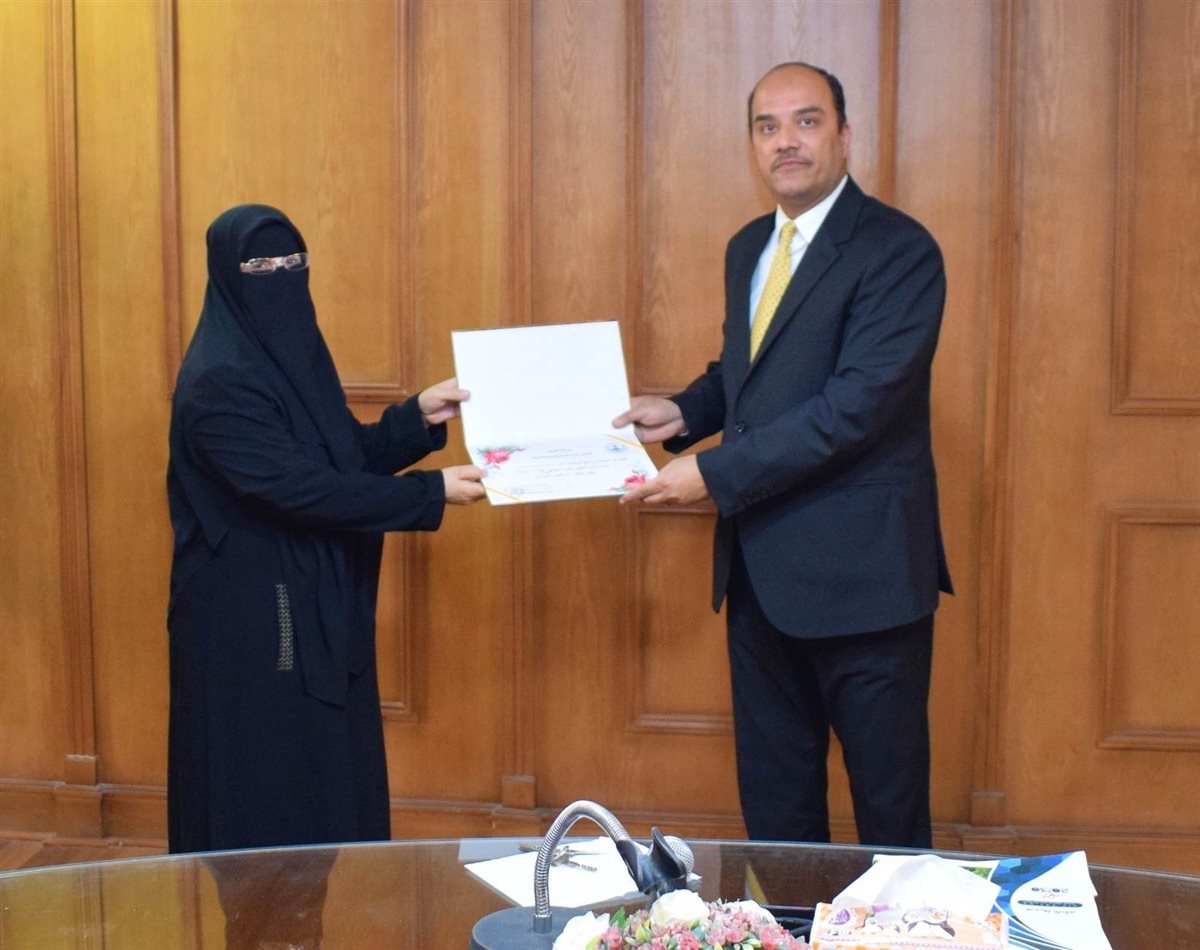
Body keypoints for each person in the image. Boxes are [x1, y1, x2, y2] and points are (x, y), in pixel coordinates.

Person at [614, 62, 952, 848]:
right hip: (760, 577)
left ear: (844, 134)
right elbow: (752, 372)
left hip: (866, 583)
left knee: (890, 819)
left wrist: (712, 472)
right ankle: (788, 920)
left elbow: (853, 409)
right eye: (767, 127)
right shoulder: (749, 248)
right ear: (752, 145)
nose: (785, 142)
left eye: (806, 121)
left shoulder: (900, 250)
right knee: (777, 815)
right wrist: (685, 412)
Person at [166, 204, 485, 853]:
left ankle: (314, 907)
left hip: (310, 610)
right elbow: (298, 489)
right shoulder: (217, 381)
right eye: (261, 266)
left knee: (323, 792)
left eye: (294, 262)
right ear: (228, 274)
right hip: (254, 632)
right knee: (264, 802)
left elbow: (336, 458)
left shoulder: (294, 358)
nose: (281, 276)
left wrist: (417, 418)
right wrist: (431, 493)